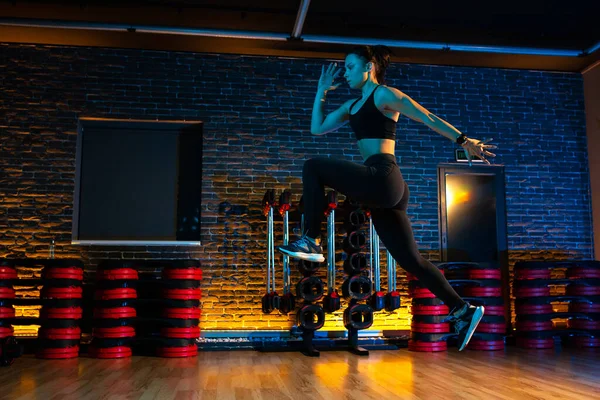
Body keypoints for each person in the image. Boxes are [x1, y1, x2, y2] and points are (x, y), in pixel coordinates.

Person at [277, 45, 497, 351]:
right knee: (411, 260)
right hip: (383, 190)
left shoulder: (383, 95)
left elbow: (425, 116)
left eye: (351, 66)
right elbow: (317, 128)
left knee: (313, 167)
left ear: (369, 66)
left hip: (382, 176)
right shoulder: (353, 106)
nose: (346, 72)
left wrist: (462, 140)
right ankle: (463, 308)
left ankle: (311, 239)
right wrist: (321, 92)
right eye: (344, 67)